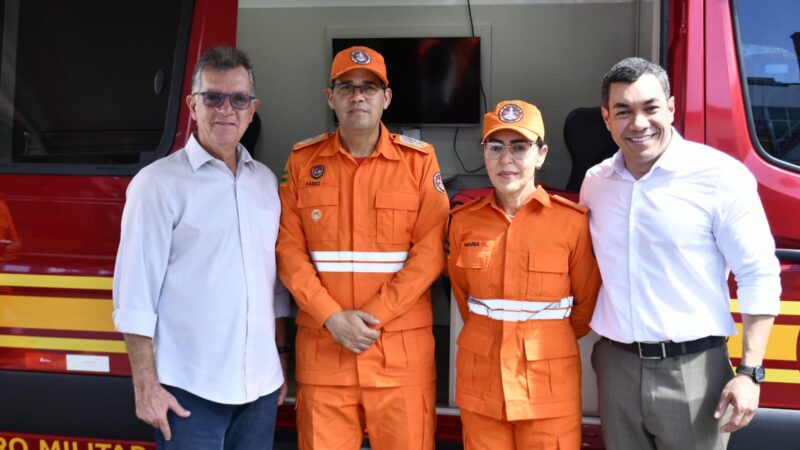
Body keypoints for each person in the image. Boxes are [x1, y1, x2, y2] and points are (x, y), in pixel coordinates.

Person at [580, 57, 781, 450]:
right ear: (606, 118)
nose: (638, 123)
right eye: (623, 111)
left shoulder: (719, 177)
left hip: (695, 374)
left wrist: (750, 372)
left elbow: (758, 273)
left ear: (671, 108)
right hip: (615, 367)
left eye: (650, 108)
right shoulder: (596, 183)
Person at [112, 46, 291, 450]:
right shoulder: (157, 184)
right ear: (193, 105)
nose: (225, 109)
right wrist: (145, 386)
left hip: (259, 389)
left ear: (252, 109)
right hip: (188, 393)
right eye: (213, 97)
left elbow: (273, 285)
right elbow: (135, 294)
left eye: (238, 99)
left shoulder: (264, 182)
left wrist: (281, 357)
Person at [276, 46, 450, 450]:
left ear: (386, 98)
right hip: (325, 353)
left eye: (369, 88)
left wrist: (370, 318)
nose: (358, 97)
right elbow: (289, 252)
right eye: (347, 87)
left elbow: (430, 254)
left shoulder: (419, 162)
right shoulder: (303, 162)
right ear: (330, 97)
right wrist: (331, 317)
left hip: (399, 359)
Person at [447, 100, 601, 449]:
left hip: (547, 389)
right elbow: (464, 299)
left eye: (519, 147)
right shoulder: (463, 222)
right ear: (484, 153)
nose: (506, 160)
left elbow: (586, 306)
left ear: (541, 154)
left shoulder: (572, 223)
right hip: (481, 385)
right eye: (495, 147)